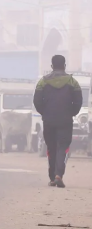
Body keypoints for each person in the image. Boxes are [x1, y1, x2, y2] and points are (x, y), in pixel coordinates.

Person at [33, 55, 83, 189]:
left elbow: (37, 101)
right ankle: (58, 175)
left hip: (48, 121)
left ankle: (52, 177)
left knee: (51, 148)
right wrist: (70, 113)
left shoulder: (42, 82)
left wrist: (45, 113)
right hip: (65, 121)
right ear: (64, 65)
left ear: (52, 66)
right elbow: (78, 102)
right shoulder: (73, 82)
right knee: (63, 147)